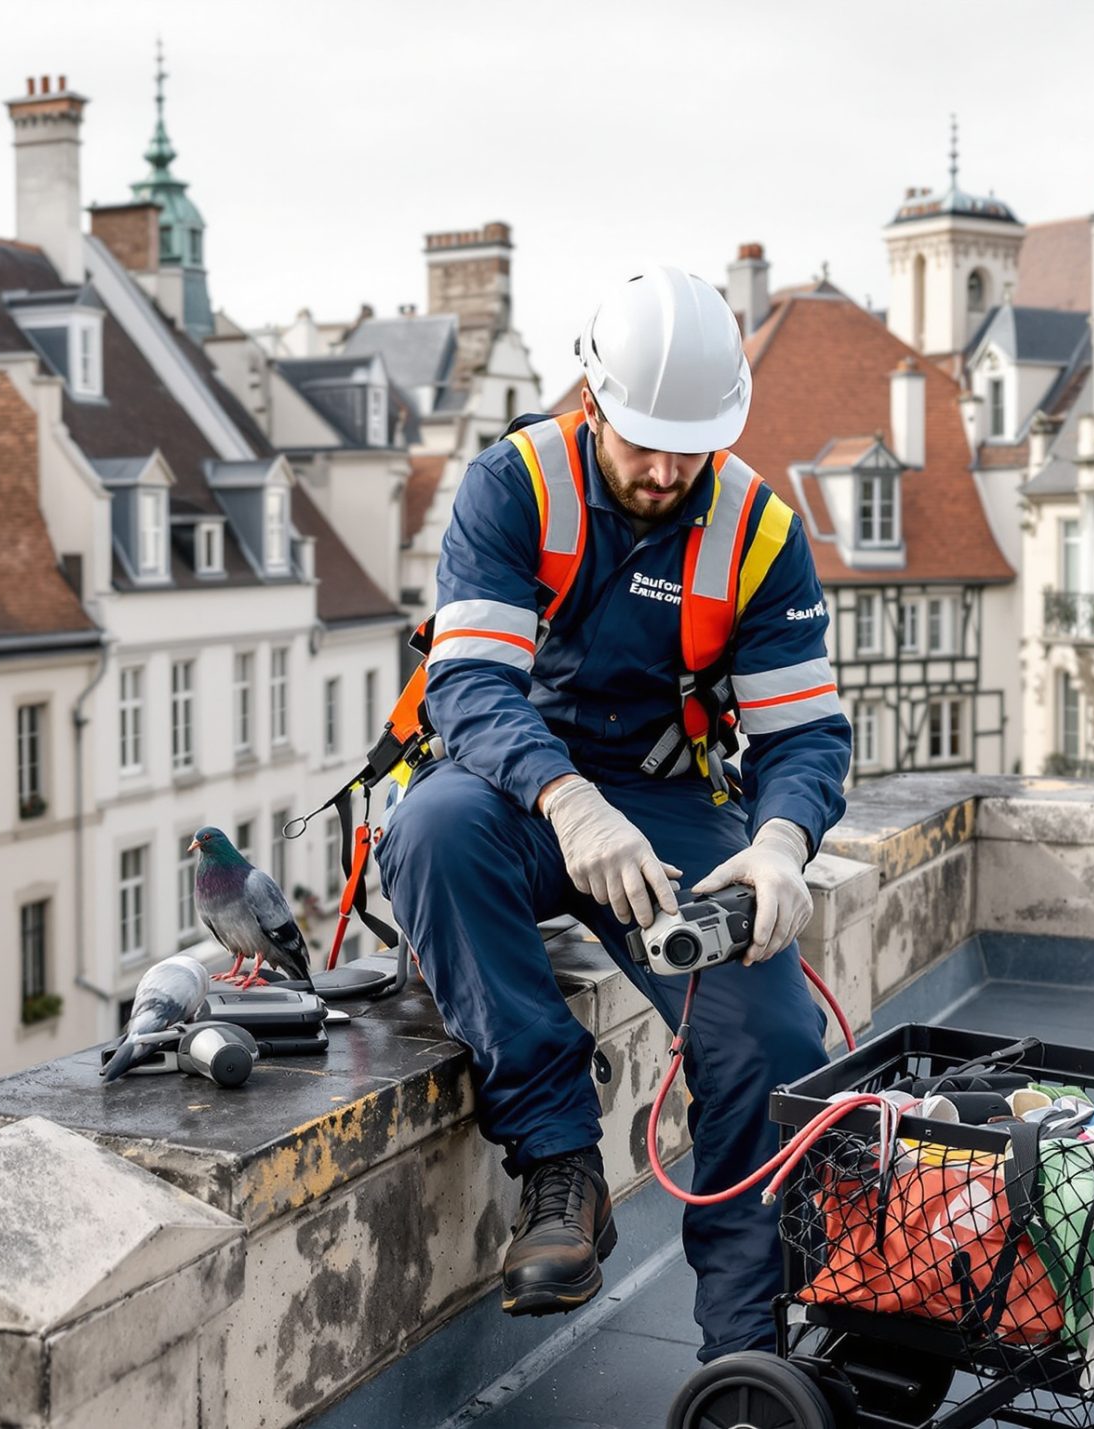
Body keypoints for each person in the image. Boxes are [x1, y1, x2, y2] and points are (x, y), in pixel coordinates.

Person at [376, 266, 851, 1361]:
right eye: (642, 439)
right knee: (428, 832)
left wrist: (781, 842)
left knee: (773, 1037)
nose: (663, 467)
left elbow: (802, 734)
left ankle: (743, 1346)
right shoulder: (515, 484)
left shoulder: (759, 528)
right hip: (515, 783)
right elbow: (469, 684)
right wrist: (568, 802)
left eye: (688, 445)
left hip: (669, 797)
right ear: (592, 398)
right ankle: (560, 1167)